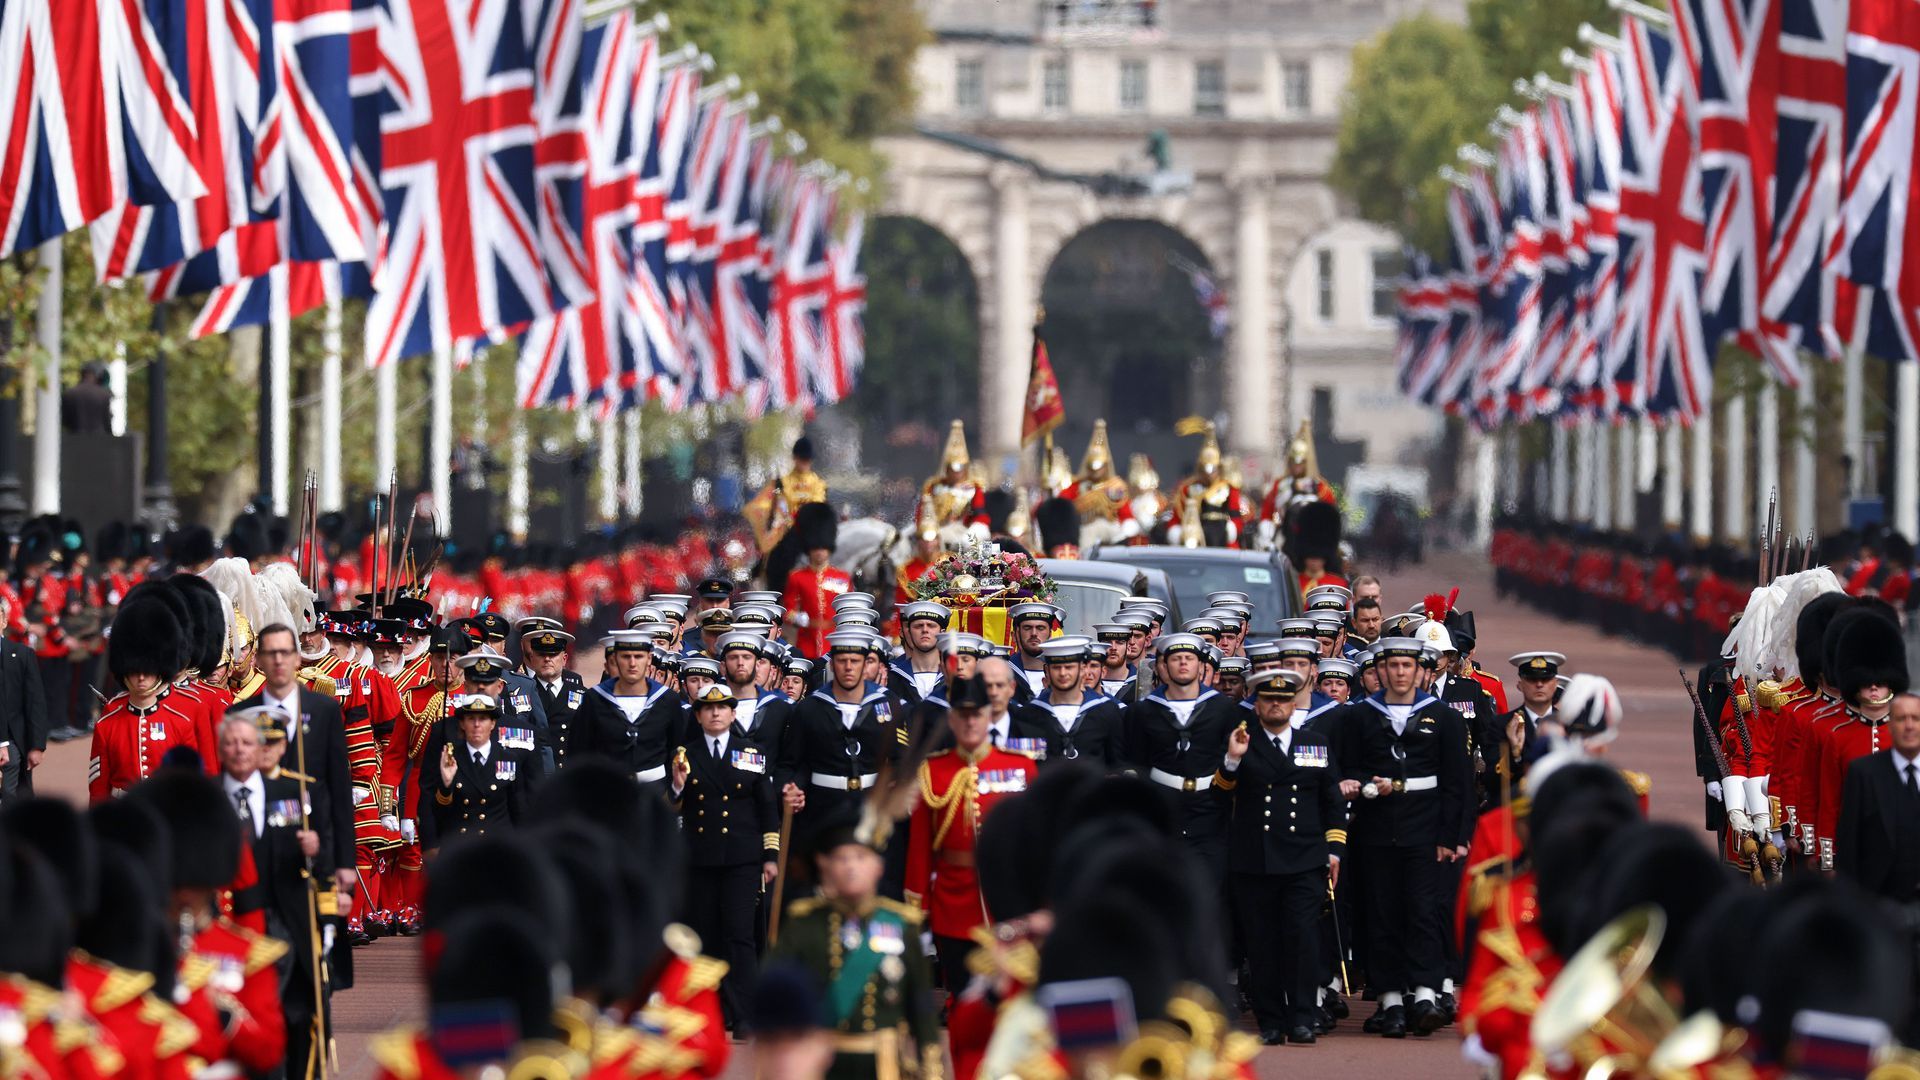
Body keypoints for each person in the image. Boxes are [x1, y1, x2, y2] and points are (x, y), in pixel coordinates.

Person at [1338, 636, 1473, 1038]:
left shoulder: (1444, 718)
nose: (1399, 673)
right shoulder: (1360, 718)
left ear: (1420, 672)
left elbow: (1458, 783)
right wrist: (1364, 785)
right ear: (1380, 671)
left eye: (1407, 667)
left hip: (1425, 827)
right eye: (1392, 666)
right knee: (1382, 913)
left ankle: (1427, 994)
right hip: (1376, 829)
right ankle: (1391, 1000)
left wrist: (1453, 836)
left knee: (1424, 911)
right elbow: (1344, 768)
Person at [1216, 669, 1346, 1045]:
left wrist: (1334, 850)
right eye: (1269, 699)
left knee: (1302, 940)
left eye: (1283, 699)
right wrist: (1231, 761)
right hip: (1254, 860)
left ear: (1293, 704)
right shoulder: (1242, 742)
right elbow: (1218, 796)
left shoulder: (1314, 743)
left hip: (1304, 859)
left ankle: (1303, 1016)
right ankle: (1271, 1020)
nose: (1276, 705)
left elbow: (1332, 803)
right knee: (1262, 943)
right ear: (1257, 705)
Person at [771, 811, 941, 1080]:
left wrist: (932, 1070)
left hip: (884, 1067)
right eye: (841, 858)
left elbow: (920, 1006)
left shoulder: (902, 925)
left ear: (879, 866)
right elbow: (775, 999)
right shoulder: (804, 924)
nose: (851, 867)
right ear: (825, 866)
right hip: (820, 1065)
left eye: (861, 857)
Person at [903, 673, 1039, 992]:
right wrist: (916, 904)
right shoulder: (933, 770)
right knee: (961, 997)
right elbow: (921, 845)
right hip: (954, 900)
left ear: (989, 715)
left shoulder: (1021, 767)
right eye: (962, 716)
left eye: (976, 715)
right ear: (951, 720)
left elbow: (1034, 842)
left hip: (1006, 900)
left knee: (1010, 995)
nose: (969, 724)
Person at [217, 706, 331, 1079]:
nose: (239, 750)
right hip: (228, 928)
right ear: (221, 750)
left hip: (284, 920)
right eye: (231, 743)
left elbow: (325, 853)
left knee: (289, 1016)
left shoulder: (292, 790)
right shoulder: (208, 797)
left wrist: (317, 850)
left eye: (247, 743)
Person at [670, 683, 780, 1033]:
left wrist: (770, 854)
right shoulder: (683, 755)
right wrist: (676, 785)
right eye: (707, 709)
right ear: (699, 715)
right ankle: (709, 1013)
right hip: (700, 858)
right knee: (704, 936)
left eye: (722, 708)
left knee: (740, 935)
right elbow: (672, 806)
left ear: (733, 714)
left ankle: (744, 1013)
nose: (715, 714)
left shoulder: (751, 753)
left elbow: (766, 807)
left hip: (741, 858)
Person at [234, 623, 358, 911]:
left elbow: (339, 787)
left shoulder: (324, 710)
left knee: (321, 947)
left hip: (315, 843)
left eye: (285, 652)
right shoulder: (239, 713)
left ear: (297, 658)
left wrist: (345, 861)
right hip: (258, 848)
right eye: (271, 653)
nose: (278, 661)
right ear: (258, 659)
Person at [1123, 633, 1240, 884]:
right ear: (1163, 666)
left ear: (1201, 666)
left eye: (1190, 658)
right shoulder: (1143, 711)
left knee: (1210, 890)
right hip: (1163, 808)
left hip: (1210, 810)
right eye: (1176, 658)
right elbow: (1136, 763)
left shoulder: (1222, 708)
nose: (1183, 663)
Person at [779, 632, 896, 831]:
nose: (848, 667)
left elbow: (900, 757)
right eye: (842, 661)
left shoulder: (887, 705)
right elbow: (790, 762)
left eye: (855, 661)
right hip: (822, 806)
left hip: (872, 806)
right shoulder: (809, 708)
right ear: (832, 664)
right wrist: (789, 788)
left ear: (865, 664)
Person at [90, 595, 202, 801]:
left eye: (148, 671)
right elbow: (98, 787)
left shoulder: (179, 722)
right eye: (134, 671)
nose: (141, 677)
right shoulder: (106, 725)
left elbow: (189, 782)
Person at [573, 630, 681, 790]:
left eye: (638, 656)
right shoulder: (595, 699)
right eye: (625, 656)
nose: (632, 663)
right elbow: (579, 753)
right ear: (615, 659)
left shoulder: (667, 699)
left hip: (656, 792)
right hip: (607, 793)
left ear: (649, 659)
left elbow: (677, 749)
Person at [421, 694, 534, 846]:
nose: (476, 724)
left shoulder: (508, 759)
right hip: (461, 846)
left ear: (493, 723)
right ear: (462, 724)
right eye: (471, 718)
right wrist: (446, 787)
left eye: (483, 718)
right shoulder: (450, 760)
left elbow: (518, 808)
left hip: (499, 846)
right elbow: (439, 814)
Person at [1013, 637, 1124, 770]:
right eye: (1056, 667)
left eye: (1069, 667)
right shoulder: (1028, 715)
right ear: (1047, 671)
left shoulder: (1107, 711)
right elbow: (1023, 767)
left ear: (1082, 669)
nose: (1063, 673)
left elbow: (1117, 767)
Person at [781, 504, 850, 659]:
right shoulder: (796, 577)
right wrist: (797, 618)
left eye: (823, 548)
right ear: (809, 548)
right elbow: (788, 610)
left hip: (835, 645)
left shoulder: (843, 577)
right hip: (807, 645)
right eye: (815, 548)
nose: (819, 552)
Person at [746, 435, 831, 556]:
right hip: (786, 531)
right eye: (802, 458)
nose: (804, 462)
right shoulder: (781, 483)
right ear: (794, 458)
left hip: (811, 534)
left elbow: (818, 506)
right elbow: (773, 506)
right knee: (766, 560)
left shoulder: (819, 484)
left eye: (807, 459)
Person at [517, 618, 585, 768]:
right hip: (535, 775)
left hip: (568, 775)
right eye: (541, 655)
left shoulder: (582, 695)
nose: (547, 659)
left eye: (553, 655)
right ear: (532, 658)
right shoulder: (519, 694)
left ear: (564, 659)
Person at [1167, 421, 1247, 548]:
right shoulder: (1188, 488)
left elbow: (1236, 517)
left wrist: (1231, 529)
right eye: (1206, 469)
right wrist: (1181, 534)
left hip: (1223, 536)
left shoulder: (1229, 488)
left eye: (1213, 469)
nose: (1209, 474)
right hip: (1196, 536)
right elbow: (1177, 517)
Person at [0, 591, 49, 796]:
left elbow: (34, 702)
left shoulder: (22, 655)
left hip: (13, 743)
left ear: (3, 621)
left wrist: (37, 746)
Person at [719, 631, 793, 765]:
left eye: (747, 657)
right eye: (733, 657)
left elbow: (789, 760)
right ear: (723, 667)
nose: (740, 663)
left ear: (758, 665)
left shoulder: (780, 709)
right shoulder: (709, 708)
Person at [917, 421, 990, 537]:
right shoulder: (934, 486)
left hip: (963, 532)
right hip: (935, 531)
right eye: (952, 468)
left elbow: (980, 515)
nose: (956, 472)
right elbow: (922, 512)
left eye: (960, 468)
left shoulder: (974, 488)